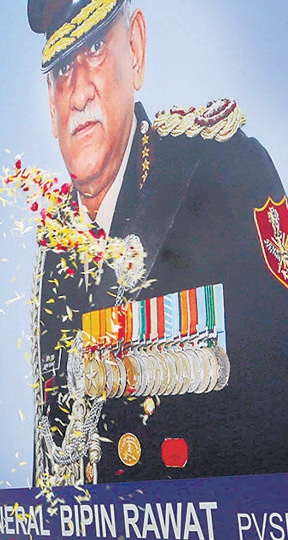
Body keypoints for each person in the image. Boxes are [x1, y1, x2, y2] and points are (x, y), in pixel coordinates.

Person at [28, 0, 288, 484]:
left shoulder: (219, 168)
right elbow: (53, 428)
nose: (80, 92)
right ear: (50, 100)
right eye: (63, 67)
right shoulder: (57, 241)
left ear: (136, 49)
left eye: (96, 49)